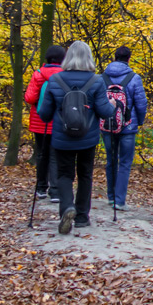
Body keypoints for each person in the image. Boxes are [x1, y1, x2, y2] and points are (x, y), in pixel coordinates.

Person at [38, 41, 115, 234]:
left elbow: (45, 114)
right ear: (88, 58)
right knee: (85, 175)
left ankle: (66, 208)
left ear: (68, 57)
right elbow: (106, 113)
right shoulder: (96, 81)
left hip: (62, 138)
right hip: (87, 138)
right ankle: (82, 217)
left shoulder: (55, 81)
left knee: (64, 174)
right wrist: (112, 104)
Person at [100, 46, 148, 211]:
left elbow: (98, 101)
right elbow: (141, 104)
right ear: (128, 58)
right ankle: (119, 201)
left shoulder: (102, 77)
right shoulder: (134, 78)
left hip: (107, 125)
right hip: (128, 127)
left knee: (110, 160)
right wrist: (138, 122)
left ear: (114, 57)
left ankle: (110, 196)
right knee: (125, 162)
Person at [24, 45, 66, 202]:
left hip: (39, 120)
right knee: (56, 154)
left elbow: (29, 98)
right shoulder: (65, 75)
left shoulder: (38, 74)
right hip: (59, 121)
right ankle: (55, 191)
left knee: (42, 154)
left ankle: (41, 188)